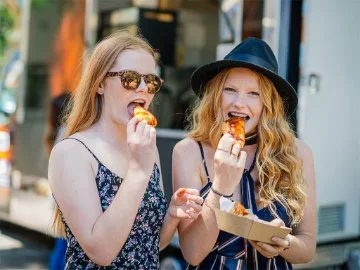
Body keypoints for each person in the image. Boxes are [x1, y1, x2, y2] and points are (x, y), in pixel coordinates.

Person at [48, 30, 203, 269]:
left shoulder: (144, 148)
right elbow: (102, 252)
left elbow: (148, 245)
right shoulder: (72, 152)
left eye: (151, 81)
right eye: (130, 78)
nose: (142, 88)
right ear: (99, 83)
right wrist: (139, 171)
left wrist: (171, 215)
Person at [172, 37, 316, 269]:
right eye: (230, 90)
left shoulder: (298, 153)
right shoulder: (189, 151)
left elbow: (308, 248)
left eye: (254, 93)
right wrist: (220, 186)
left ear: (269, 104)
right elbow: (192, 253)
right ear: (215, 96)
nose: (239, 103)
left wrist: (284, 243)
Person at [45, 91, 71, 270]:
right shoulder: (67, 131)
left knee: (62, 243)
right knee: (64, 244)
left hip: (61, 195)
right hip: (68, 196)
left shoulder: (56, 131)